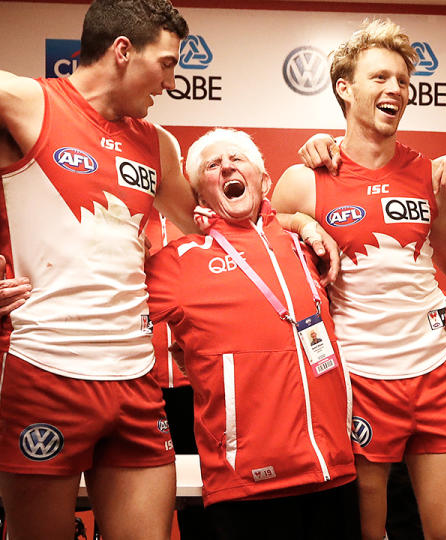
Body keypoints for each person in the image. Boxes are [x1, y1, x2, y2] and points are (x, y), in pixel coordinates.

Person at [0, 1, 199, 538]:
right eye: (166, 63)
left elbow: (206, 223)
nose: (172, 81)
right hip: (44, 368)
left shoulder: (158, 143)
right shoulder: (27, 101)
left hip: (136, 376)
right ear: (122, 51)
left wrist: (297, 212)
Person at [271, 19, 446, 540]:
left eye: (403, 81)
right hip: (359, 378)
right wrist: (303, 221)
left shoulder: (432, 175)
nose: (396, 90)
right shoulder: (306, 178)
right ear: (344, 87)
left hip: (434, 370)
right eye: (380, 77)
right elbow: (258, 236)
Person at [145, 128, 358, 540]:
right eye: (212, 165)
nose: (226, 166)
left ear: (264, 181)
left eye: (238, 159)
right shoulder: (180, 261)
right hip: (247, 486)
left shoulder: (306, 245)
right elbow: (104, 302)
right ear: (201, 198)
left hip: (333, 471)